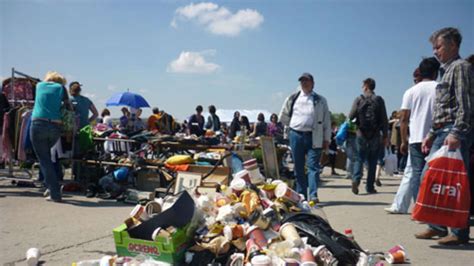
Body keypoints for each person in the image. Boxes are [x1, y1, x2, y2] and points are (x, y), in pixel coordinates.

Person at [415, 27, 474, 246]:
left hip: (452, 131)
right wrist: (430, 134)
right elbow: (443, 107)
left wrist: (457, 132)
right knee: (434, 180)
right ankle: (438, 226)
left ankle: (458, 232)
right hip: (441, 130)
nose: (435, 51)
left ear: (453, 45)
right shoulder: (446, 70)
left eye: (438, 46)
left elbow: (465, 104)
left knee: (453, 183)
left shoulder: (461, 67)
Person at [385, 59, 440, 214]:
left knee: (416, 173)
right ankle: (431, 206)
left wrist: (403, 140)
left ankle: (419, 206)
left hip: (415, 138)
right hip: (435, 137)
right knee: (433, 174)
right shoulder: (440, 88)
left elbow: (403, 119)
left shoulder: (410, 91)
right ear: (436, 72)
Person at [279, 73, 331, 202]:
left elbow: (326, 122)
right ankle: (302, 195)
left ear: (313, 83)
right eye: (302, 81)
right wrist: (291, 126)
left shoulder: (320, 100)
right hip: (296, 134)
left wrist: (327, 139)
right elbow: (283, 116)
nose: (304, 83)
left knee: (313, 166)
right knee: (298, 166)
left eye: (307, 81)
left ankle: (313, 194)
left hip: (314, 136)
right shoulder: (292, 98)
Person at [30, 71, 72, 202]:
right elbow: (68, 106)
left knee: (45, 160)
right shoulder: (61, 88)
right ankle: (50, 186)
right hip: (55, 127)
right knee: (47, 158)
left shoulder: (39, 85)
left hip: (38, 124)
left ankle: (54, 192)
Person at [348, 78, 388, 195]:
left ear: (366, 86)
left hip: (361, 133)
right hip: (375, 134)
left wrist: (354, 129)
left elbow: (350, 117)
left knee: (359, 158)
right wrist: (385, 135)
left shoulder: (359, 99)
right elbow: (384, 120)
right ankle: (370, 187)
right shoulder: (379, 100)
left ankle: (356, 179)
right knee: (372, 161)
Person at [0, 89, 10, 168]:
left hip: (1, 123)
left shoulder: (2, 95)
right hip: (1, 122)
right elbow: (7, 108)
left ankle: (2, 162)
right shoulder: (2, 95)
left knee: (1, 144)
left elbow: (7, 108)